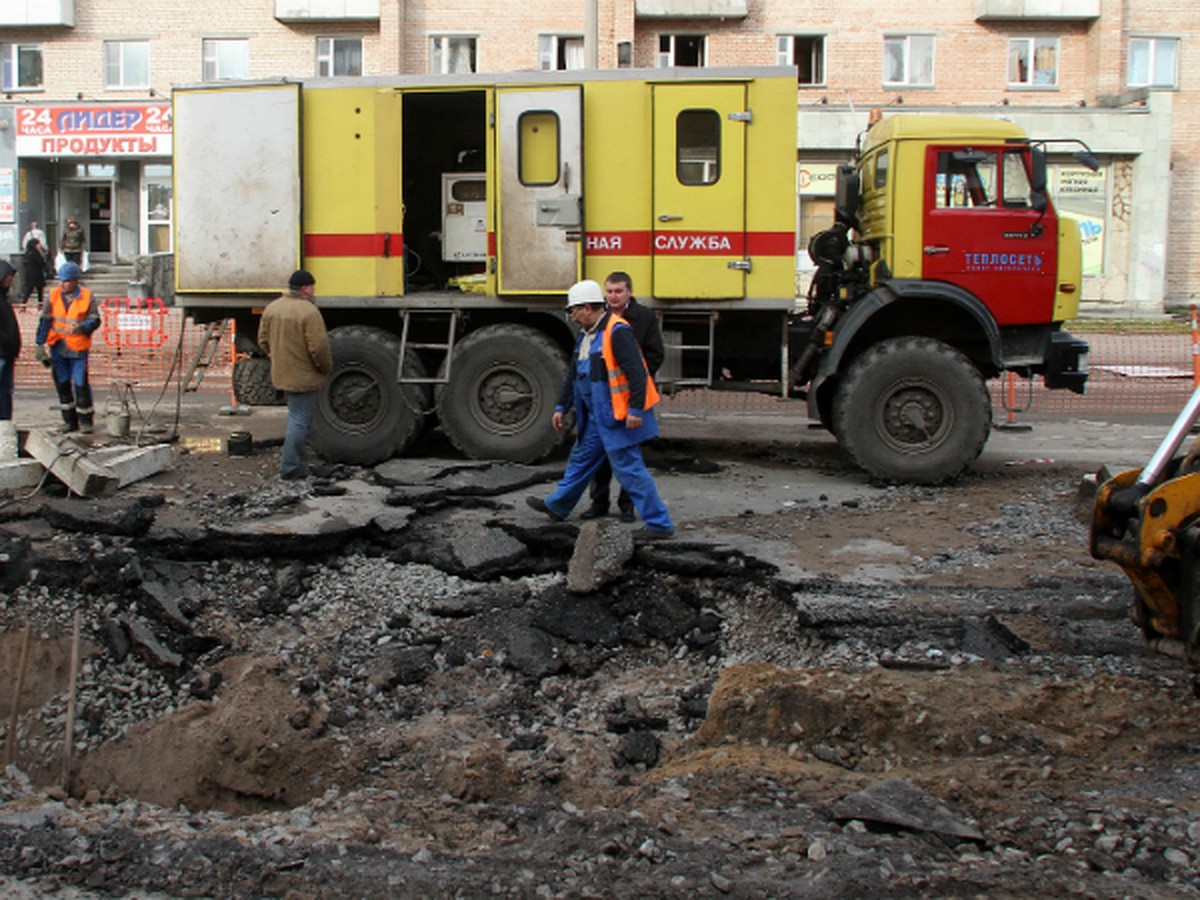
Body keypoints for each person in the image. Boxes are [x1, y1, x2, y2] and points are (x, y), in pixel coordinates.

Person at [526, 279, 674, 540]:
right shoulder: (587, 334)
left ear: (587, 308)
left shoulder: (617, 332)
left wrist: (635, 411)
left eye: (573, 311)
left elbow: (637, 374)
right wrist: (562, 405)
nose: (571, 316)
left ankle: (659, 524)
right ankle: (558, 505)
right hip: (597, 416)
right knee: (581, 460)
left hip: (616, 416)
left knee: (630, 469)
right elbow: (575, 375)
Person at [580, 271, 665, 523]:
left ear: (629, 292)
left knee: (629, 453)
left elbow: (655, 355)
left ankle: (627, 506)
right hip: (602, 396)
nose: (613, 296)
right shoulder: (597, 316)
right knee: (601, 453)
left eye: (618, 291)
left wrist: (632, 384)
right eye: (610, 291)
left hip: (628, 396)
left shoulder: (644, 318)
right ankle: (598, 502)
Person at [257, 269, 333, 480]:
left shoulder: (272, 308)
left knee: (295, 417)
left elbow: (262, 341)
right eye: (312, 287)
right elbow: (319, 348)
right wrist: (325, 368)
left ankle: (297, 460)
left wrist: (277, 357)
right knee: (299, 420)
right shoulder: (309, 312)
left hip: (282, 374)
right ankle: (290, 466)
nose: (314, 291)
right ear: (304, 288)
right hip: (304, 376)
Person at [34, 261, 100, 433]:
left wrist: (84, 327)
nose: (62, 284)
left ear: (75, 281)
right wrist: (39, 343)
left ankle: (86, 421)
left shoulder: (87, 296)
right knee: (62, 385)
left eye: (66, 281)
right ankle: (69, 422)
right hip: (58, 347)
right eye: (61, 281)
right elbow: (45, 321)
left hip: (78, 349)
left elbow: (95, 319)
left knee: (80, 385)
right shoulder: (53, 296)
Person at [0, 261, 19, 421]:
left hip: (7, 354)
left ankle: (5, 424)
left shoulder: (4, 299)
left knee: (6, 392)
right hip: (2, 353)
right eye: (8, 277)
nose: (11, 280)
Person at [20, 236, 53, 305]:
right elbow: (41, 263)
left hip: (29, 274)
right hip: (37, 273)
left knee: (28, 289)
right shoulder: (36, 253)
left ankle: (24, 302)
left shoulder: (27, 253)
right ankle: (40, 303)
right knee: (39, 290)